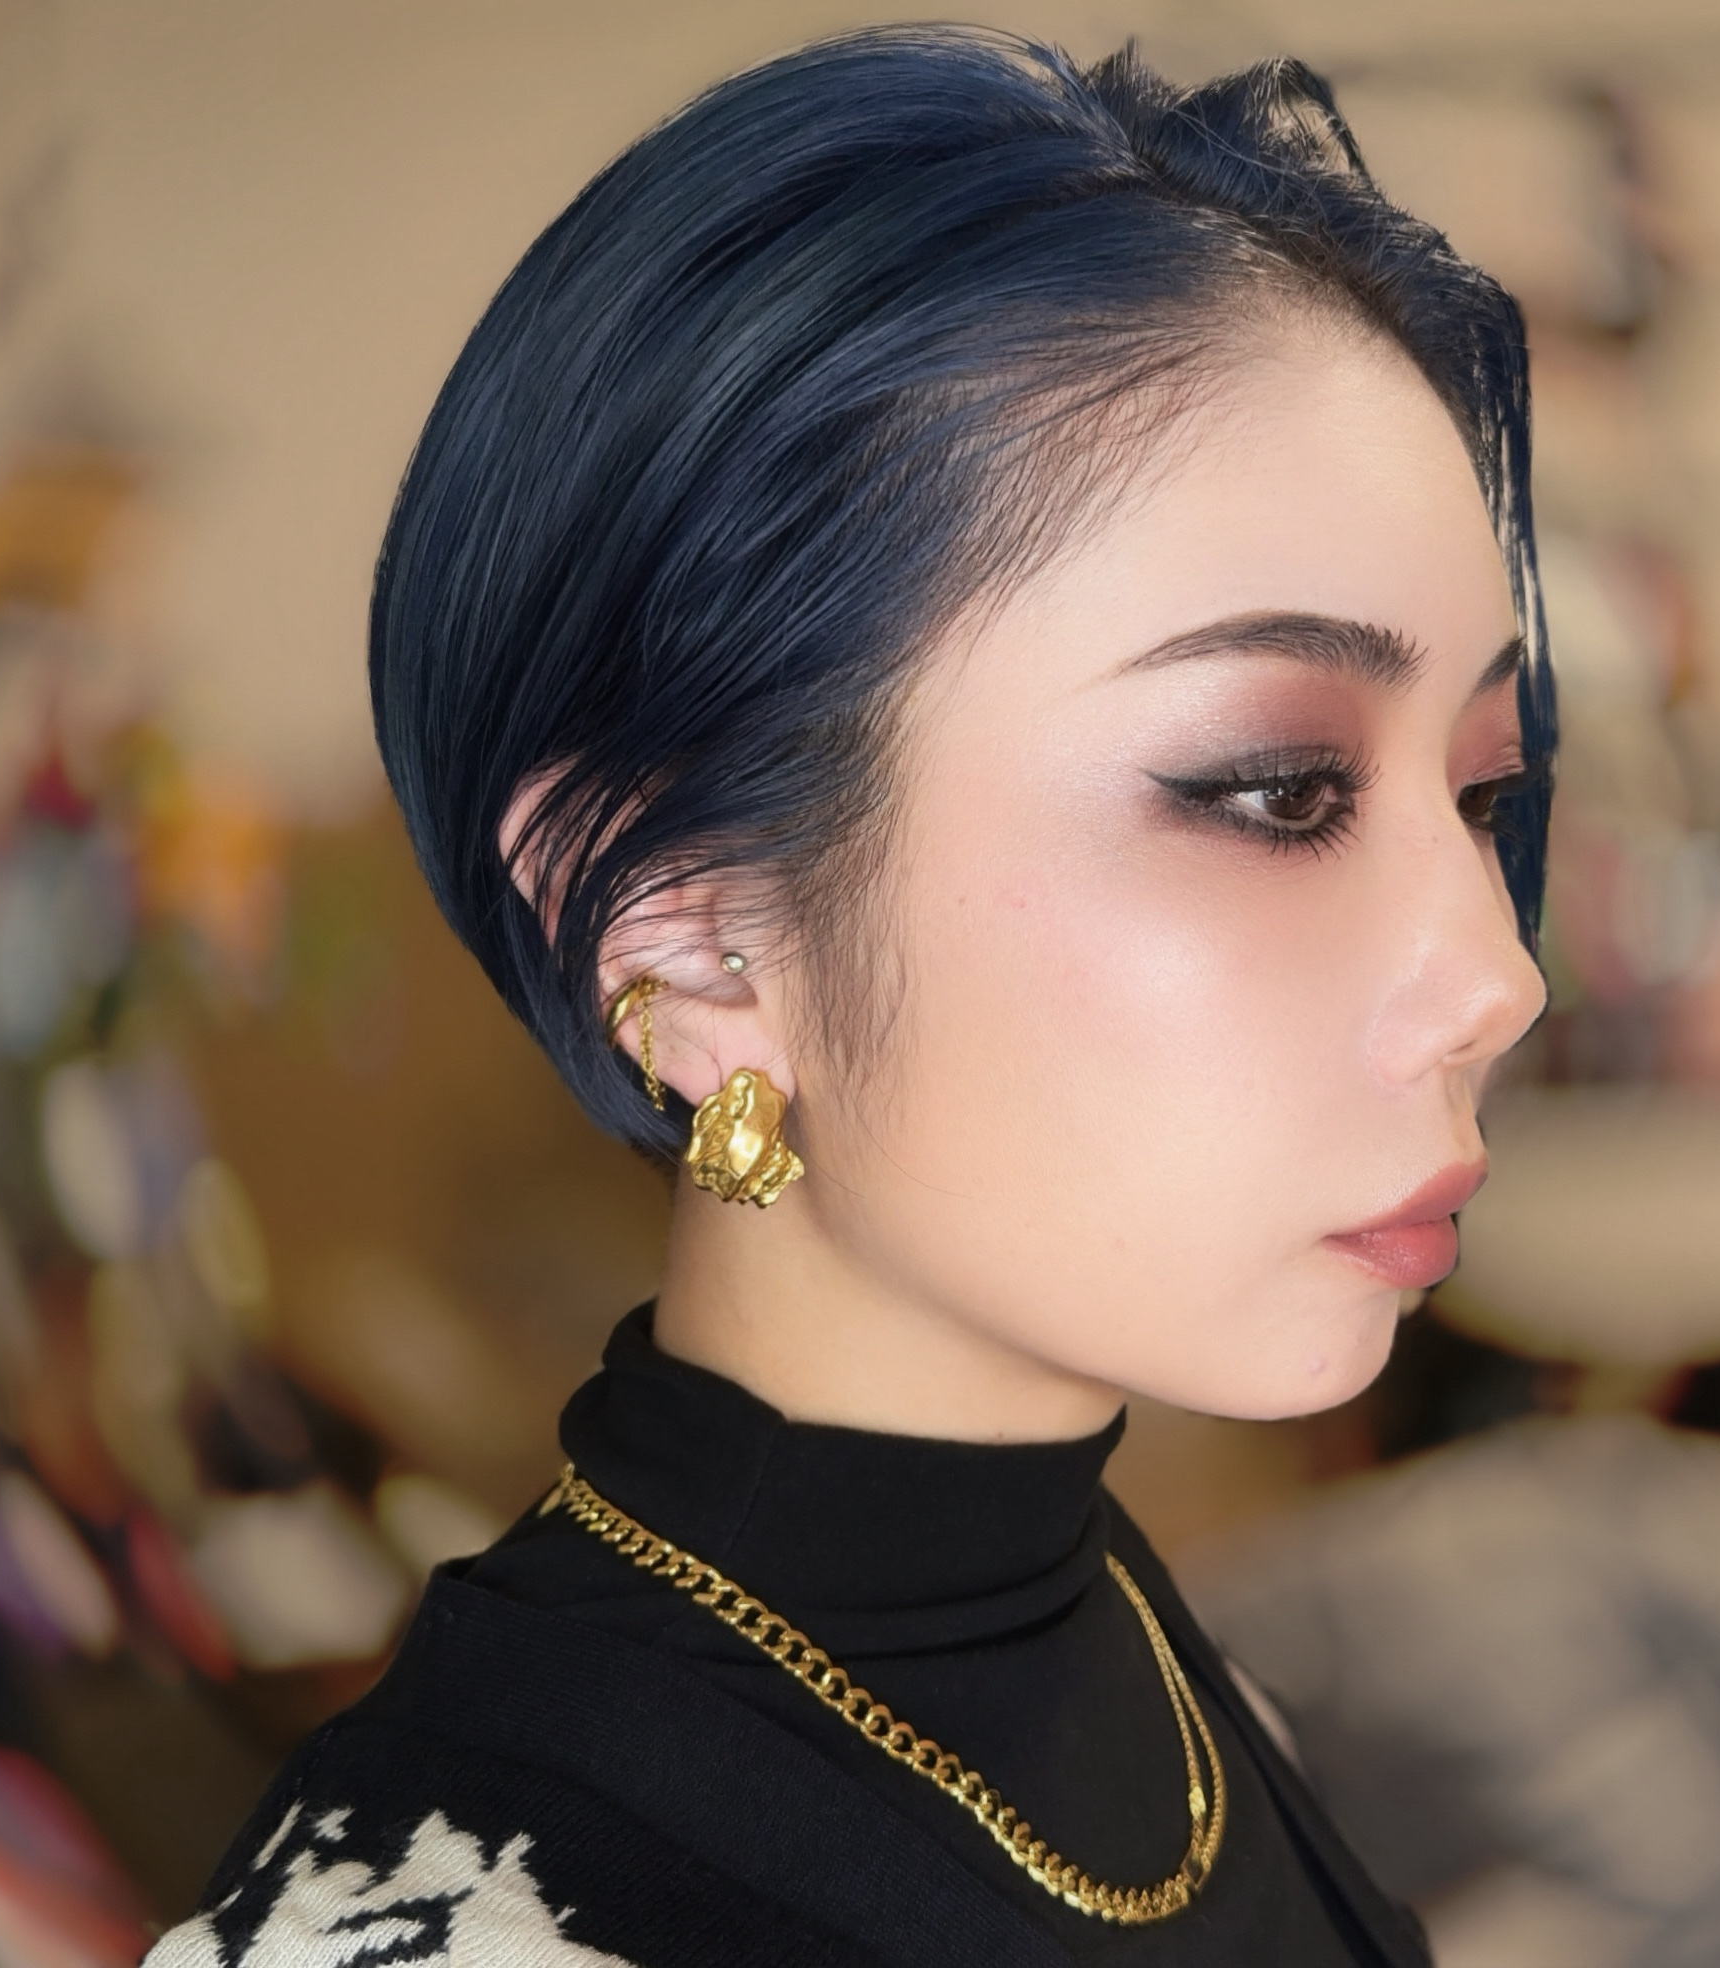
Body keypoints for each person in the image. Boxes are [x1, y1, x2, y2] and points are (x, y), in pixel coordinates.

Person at [148, 25, 1553, 1966]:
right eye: (1278, 790)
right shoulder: (457, 1914)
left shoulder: (1154, 1673)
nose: (1495, 977)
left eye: (1479, 792)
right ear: (693, 935)